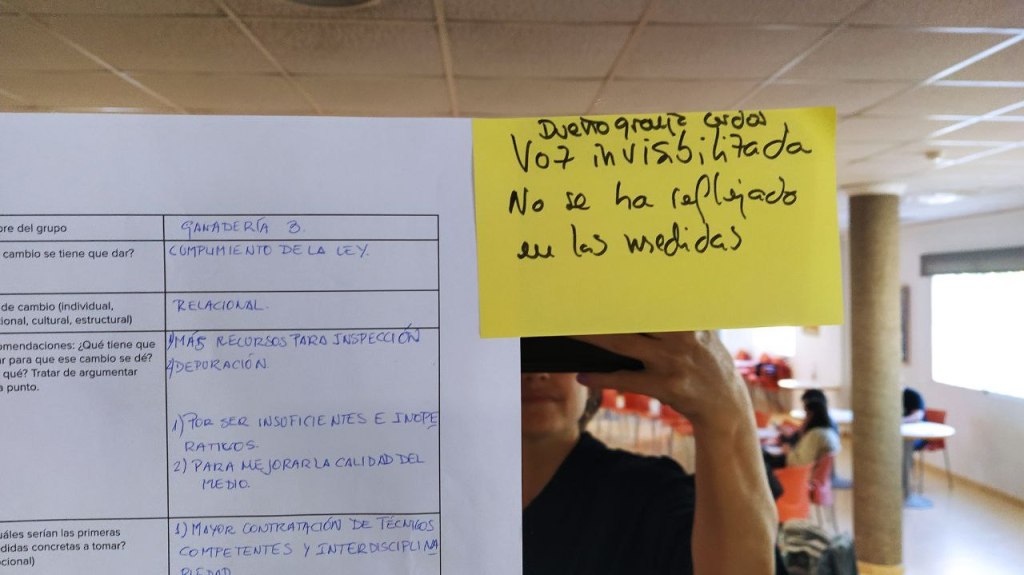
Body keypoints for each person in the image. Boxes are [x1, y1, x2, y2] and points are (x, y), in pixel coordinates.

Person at [521, 331, 776, 575]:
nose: (537, 375)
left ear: (590, 384)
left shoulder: (646, 496)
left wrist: (725, 416)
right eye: (518, 358)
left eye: (556, 356)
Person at [779, 399, 841, 468]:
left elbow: (801, 463)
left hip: (801, 470)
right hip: (817, 470)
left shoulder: (815, 434)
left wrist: (788, 452)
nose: (804, 418)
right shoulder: (829, 431)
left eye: (806, 414)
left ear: (812, 415)